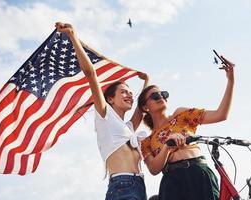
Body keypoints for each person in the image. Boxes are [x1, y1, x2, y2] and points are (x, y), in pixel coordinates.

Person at [55, 22, 149, 200]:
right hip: (122, 185)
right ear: (110, 99)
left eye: (130, 92)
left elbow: (142, 108)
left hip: (139, 186)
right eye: (123, 92)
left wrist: (147, 81)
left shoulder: (128, 127)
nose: (129, 95)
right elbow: (91, 74)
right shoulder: (105, 115)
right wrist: (73, 36)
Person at [137, 56, 235, 200]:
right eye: (155, 95)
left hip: (200, 173)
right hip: (172, 183)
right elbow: (153, 169)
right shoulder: (147, 141)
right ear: (145, 107)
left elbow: (221, 115)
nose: (161, 97)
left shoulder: (180, 115)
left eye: (163, 94)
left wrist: (231, 80)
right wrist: (167, 148)